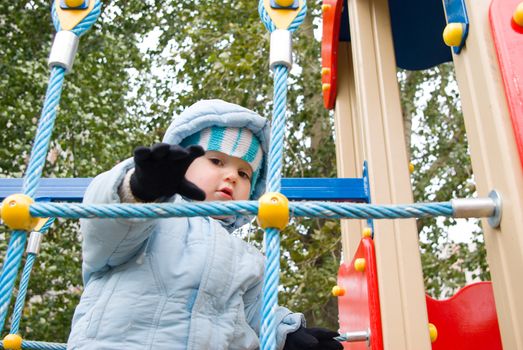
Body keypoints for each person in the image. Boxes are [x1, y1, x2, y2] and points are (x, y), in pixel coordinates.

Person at [67, 99, 342, 350]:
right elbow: (104, 227)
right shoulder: (152, 219)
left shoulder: (247, 257)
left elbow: (251, 312)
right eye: (216, 161)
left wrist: (286, 333)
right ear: (182, 163)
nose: (232, 176)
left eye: (244, 173)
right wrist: (138, 189)